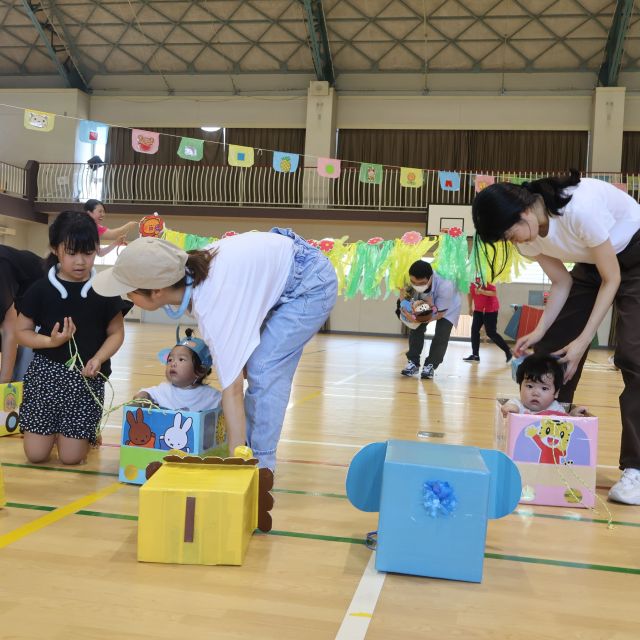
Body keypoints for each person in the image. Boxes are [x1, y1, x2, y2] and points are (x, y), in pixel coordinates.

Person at [92, 229, 338, 471]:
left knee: (263, 370)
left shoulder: (216, 303)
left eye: (129, 292)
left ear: (157, 291)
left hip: (309, 284)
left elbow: (232, 392)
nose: (127, 298)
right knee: (250, 366)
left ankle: (258, 468)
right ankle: (249, 458)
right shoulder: (192, 276)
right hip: (287, 268)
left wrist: (235, 461)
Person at [472, 170, 640, 505]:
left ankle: (636, 468)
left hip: (634, 256)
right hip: (592, 262)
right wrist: (540, 330)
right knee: (550, 352)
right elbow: (562, 283)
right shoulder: (528, 237)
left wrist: (584, 342)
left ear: (523, 213)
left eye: (510, 233)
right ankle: (549, 433)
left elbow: (613, 278)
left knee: (634, 357)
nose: (513, 241)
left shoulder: (579, 209)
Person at [15, 211, 126, 465]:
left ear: (97, 250)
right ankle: (53, 433)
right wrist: (50, 342)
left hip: (86, 382)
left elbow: (116, 333)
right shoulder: (40, 289)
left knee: (71, 459)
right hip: (45, 380)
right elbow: (22, 332)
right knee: (36, 455)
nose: (80, 261)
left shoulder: (105, 289)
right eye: (72, 253)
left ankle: (77, 435)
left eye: (87, 253)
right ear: (55, 249)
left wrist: (99, 358)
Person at [399, 260, 462, 380]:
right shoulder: (407, 280)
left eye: (421, 283)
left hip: (448, 308)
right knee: (416, 328)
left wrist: (418, 319)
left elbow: (439, 314)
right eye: (413, 282)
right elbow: (403, 298)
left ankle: (430, 365)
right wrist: (408, 313)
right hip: (424, 303)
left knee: (442, 334)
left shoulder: (446, 285)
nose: (416, 285)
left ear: (430, 278)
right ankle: (413, 362)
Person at [134, 328, 222, 411]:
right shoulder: (164, 390)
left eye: (181, 359)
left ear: (200, 370)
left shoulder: (211, 396)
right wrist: (142, 396)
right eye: (170, 360)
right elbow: (144, 393)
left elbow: (228, 404)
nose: (173, 364)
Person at [0, 246, 44, 383]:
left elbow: (10, 332)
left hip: (42, 298)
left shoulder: (2, 267)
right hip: (19, 296)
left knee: (21, 373)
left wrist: (4, 384)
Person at [501, 353, 587, 416]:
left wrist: (572, 416)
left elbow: (566, 424)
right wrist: (509, 410)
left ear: (556, 392)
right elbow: (506, 409)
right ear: (520, 387)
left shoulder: (556, 409)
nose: (535, 393)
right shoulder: (517, 405)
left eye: (544, 388)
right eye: (530, 386)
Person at [463, 277, 512, 363]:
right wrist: (470, 307)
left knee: (491, 333)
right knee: (474, 330)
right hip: (478, 309)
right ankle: (475, 355)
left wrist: (482, 291)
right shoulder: (469, 278)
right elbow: (469, 293)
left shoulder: (487, 277)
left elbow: (494, 293)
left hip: (490, 309)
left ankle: (508, 351)